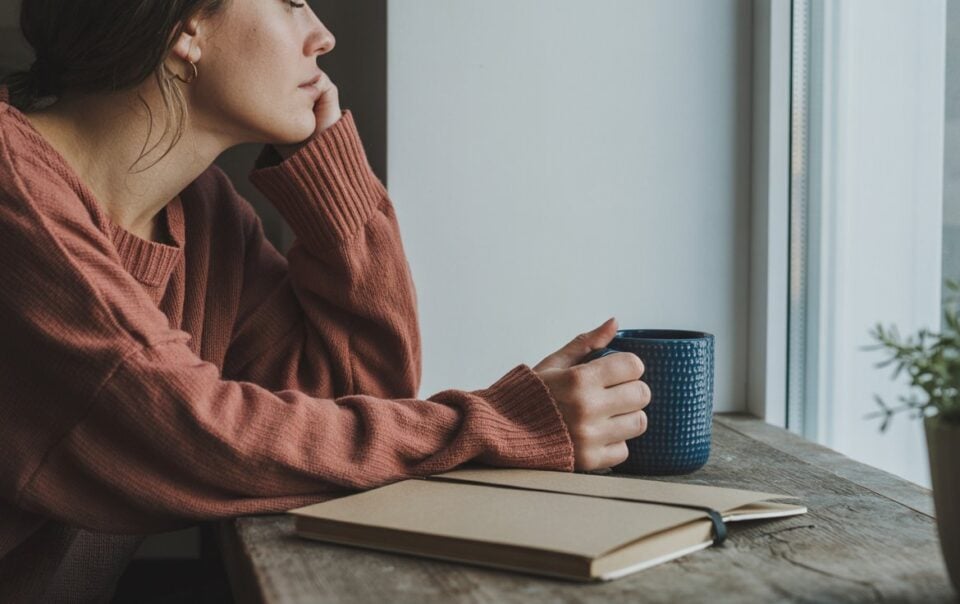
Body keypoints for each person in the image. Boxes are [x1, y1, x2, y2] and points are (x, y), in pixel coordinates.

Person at [0, 0, 651, 601]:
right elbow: (184, 429)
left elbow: (357, 396)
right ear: (187, 26)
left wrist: (326, 166)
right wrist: (500, 428)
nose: (323, 35)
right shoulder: (14, 190)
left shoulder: (203, 216)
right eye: (289, 1)